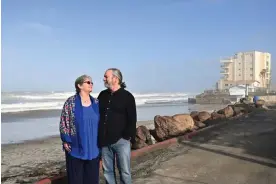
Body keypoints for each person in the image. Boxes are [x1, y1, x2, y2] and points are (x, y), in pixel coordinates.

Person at [98, 68, 137, 184]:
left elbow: (132, 119)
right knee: (107, 172)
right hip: (104, 142)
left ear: (115, 78)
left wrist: (126, 137)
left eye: (106, 76)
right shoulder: (102, 95)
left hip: (121, 141)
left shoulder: (127, 96)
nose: (103, 79)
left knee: (124, 172)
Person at [59, 75, 100, 184]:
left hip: (93, 149)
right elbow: (64, 121)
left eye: (92, 83)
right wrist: (66, 140)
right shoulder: (70, 102)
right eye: (88, 82)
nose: (91, 84)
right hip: (75, 148)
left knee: (92, 180)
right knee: (75, 180)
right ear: (79, 85)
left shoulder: (96, 103)